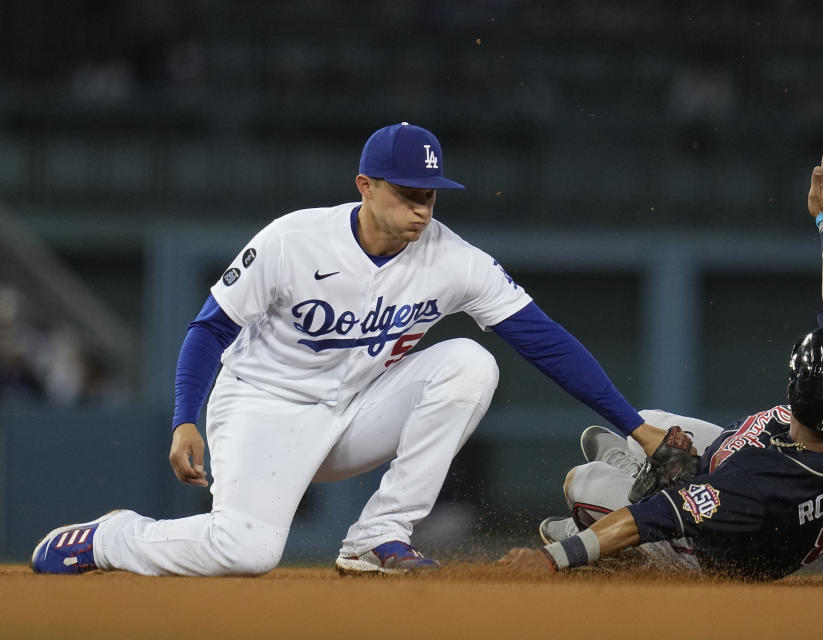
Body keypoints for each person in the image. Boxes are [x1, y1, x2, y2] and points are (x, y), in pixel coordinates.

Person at [30, 122, 671, 577]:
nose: (424, 208)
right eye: (407, 193)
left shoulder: (453, 259)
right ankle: (113, 538)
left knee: (472, 363)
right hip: (261, 408)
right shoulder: (294, 240)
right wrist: (184, 416)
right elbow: (208, 330)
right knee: (245, 553)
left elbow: (546, 342)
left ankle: (378, 536)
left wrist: (637, 429)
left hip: (351, 415)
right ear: (365, 185)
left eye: (431, 194)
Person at [500, 140, 823, 581]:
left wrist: (556, 558)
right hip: (754, 499)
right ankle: (656, 475)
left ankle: (621, 530)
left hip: (717, 554)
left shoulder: (759, 481)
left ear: (792, 389)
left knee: (582, 482)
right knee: (645, 422)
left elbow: (649, 519)